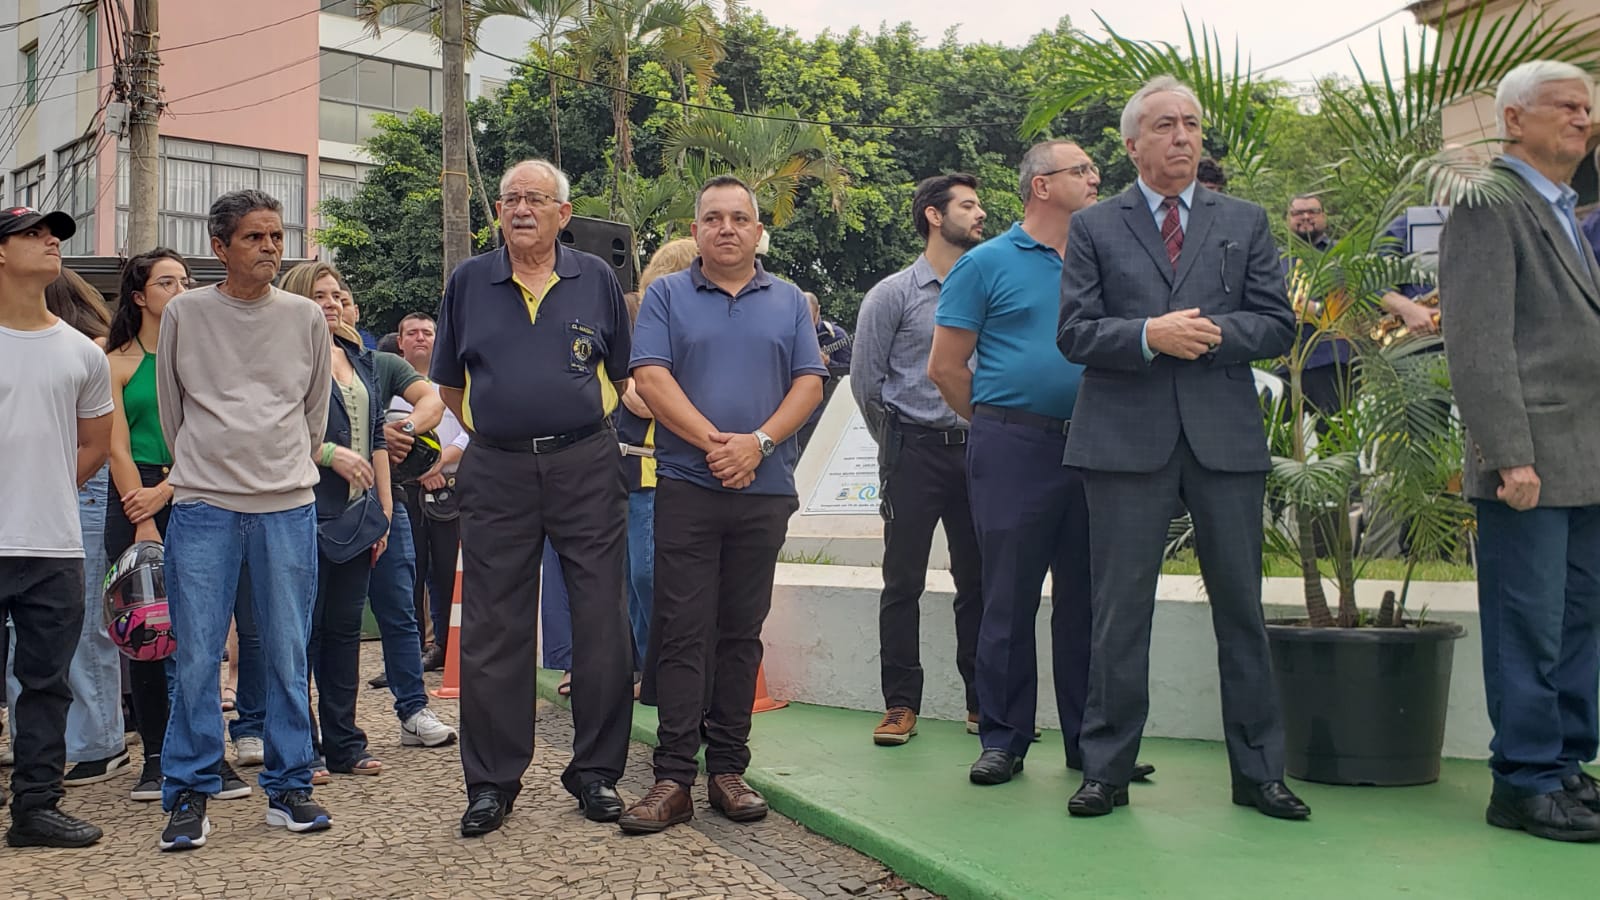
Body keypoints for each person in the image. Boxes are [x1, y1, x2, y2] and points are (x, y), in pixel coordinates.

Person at [1056, 77, 1307, 821]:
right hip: (1123, 441)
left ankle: (1259, 774)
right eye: (1165, 125)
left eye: (1192, 124)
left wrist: (1210, 334)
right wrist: (1146, 335)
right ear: (1132, 144)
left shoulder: (1245, 220)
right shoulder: (1094, 226)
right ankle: (1106, 770)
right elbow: (1074, 333)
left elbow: (1276, 322)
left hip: (1223, 438)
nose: (1183, 137)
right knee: (1119, 611)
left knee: (1242, 611)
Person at [929, 144, 1147, 786]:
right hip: (1014, 448)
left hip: (1098, 447)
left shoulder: (1104, 262)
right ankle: (1004, 738)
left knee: (1091, 600)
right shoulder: (986, 263)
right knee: (1008, 594)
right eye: (1081, 170)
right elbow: (945, 367)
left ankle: (1092, 744)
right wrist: (1001, 423)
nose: (1095, 177)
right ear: (1041, 186)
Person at [432, 159, 634, 837]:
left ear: (562, 214)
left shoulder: (597, 278)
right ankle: (492, 782)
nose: (521, 209)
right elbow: (451, 385)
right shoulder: (469, 282)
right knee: (495, 626)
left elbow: (620, 373)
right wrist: (496, 427)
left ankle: (596, 772)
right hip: (497, 470)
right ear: (498, 211)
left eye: (536, 199)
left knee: (601, 618)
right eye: (511, 198)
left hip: (586, 463)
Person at [619, 175, 826, 835]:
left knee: (740, 632)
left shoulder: (788, 300)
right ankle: (673, 778)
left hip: (764, 491)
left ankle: (729, 770)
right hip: (689, 485)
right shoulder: (667, 296)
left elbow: (809, 383)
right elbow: (651, 377)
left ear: (758, 231)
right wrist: (717, 444)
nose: (727, 228)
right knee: (682, 631)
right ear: (696, 231)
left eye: (740, 218)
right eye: (714, 218)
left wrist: (757, 444)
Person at [1440, 60, 1600, 842]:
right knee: (1527, 624)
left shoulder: (1565, 209)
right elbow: (1478, 344)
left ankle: (1565, 766)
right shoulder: (1489, 204)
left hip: (1585, 459)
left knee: (1577, 622)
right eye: (1566, 106)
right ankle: (1524, 781)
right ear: (1514, 120)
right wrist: (1508, 454)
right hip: (1528, 462)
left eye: (1588, 107)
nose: (1583, 118)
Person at [156, 189, 334, 851]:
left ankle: (290, 786)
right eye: (255, 237)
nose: (270, 247)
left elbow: (314, 411)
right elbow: (172, 409)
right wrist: (205, 466)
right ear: (219, 246)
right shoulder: (185, 313)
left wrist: (283, 464)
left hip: (287, 503)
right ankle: (190, 792)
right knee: (197, 654)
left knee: (288, 651)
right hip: (203, 503)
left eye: (276, 236)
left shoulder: (305, 317)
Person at [104, 249, 253, 804]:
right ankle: (155, 757)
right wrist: (141, 513)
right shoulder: (114, 362)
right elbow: (115, 446)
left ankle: (209, 754)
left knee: (201, 632)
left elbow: (210, 430)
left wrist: (169, 490)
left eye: (184, 281)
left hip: (193, 488)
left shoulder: (200, 356)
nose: (180, 290)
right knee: (146, 634)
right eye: (166, 282)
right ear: (139, 296)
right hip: (133, 497)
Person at [852, 173, 987, 745]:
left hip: (979, 452)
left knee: (979, 581)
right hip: (914, 453)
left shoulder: (986, 288)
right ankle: (900, 705)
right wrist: (896, 444)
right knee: (902, 581)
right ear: (934, 215)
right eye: (968, 205)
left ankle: (984, 704)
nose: (980, 214)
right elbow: (865, 383)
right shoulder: (893, 294)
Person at [0, 206, 111, 848]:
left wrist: (42, 487)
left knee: (47, 685)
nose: (50, 243)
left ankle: (36, 809)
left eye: (54, 235)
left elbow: (95, 442)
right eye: (33, 234)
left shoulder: (80, 351)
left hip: (54, 545)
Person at [392, 313, 466, 670]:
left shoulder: (452, 382)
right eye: (412, 333)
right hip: (403, 490)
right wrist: (419, 471)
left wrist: (438, 464)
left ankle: (448, 651)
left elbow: (468, 430)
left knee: (448, 572)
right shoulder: (389, 383)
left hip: (450, 489)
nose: (420, 338)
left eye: (427, 332)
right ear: (400, 341)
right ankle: (408, 655)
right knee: (408, 573)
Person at [1280, 194, 1355, 416]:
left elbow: (1358, 300)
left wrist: (1318, 310)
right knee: (1278, 432)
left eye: (1312, 211)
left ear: (1324, 216)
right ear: (1287, 219)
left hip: (1331, 359)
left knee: (1333, 430)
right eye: (1297, 213)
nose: (1305, 217)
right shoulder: (1274, 258)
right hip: (1283, 359)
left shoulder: (1342, 254)